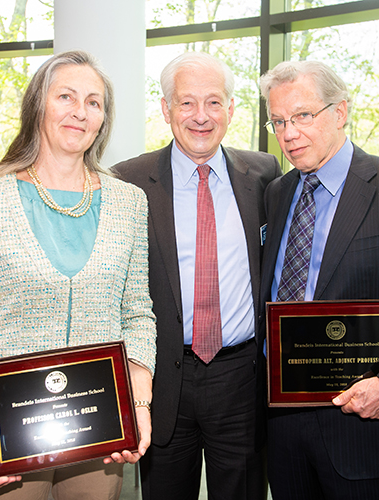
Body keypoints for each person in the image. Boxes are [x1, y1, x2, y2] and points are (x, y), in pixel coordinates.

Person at [0, 50, 156, 500]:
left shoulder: (130, 202)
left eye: (94, 102)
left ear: (103, 118)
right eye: (66, 96)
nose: (80, 111)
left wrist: (139, 403)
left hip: (100, 427)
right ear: (38, 104)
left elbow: (137, 314)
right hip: (6, 429)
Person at [259, 60, 379, 499]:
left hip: (366, 425)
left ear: (340, 112)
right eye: (278, 121)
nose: (288, 133)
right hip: (282, 428)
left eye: (303, 115)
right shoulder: (278, 193)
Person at [112, 52, 281, 500]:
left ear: (231, 109)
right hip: (164, 380)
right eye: (186, 103)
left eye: (213, 102)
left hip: (242, 377)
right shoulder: (128, 182)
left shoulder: (265, 175)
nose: (201, 117)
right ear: (166, 110)